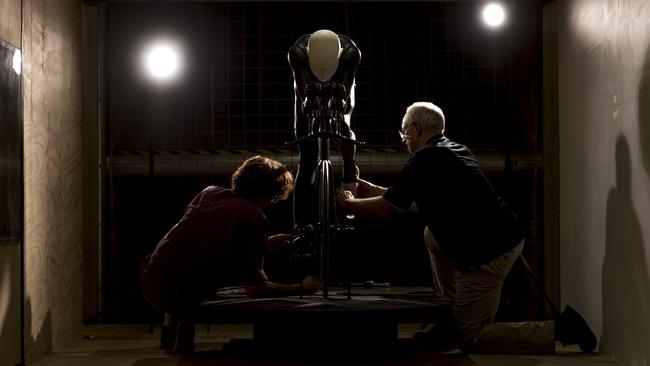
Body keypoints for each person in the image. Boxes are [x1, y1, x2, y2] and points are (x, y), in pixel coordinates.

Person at [337, 102, 597, 354]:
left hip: (489, 253)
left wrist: (349, 204)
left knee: (472, 338)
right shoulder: (454, 150)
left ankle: (561, 330)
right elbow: (420, 202)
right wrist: (374, 190)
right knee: (432, 235)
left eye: (404, 132)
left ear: (416, 128)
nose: (403, 139)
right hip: (502, 237)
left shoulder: (423, 159)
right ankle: (450, 314)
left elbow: (386, 209)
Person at [140, 155, 321, 354]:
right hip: (183, 293)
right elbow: (255, 288)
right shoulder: (254, 216)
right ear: (267, 194)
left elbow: (206, 239)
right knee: (226, 283)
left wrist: (265, 243)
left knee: (185, 259)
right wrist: (302, 288)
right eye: (274, 198)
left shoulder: (209, 193)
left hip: (152, 278)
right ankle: (188, 316)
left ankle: (169, 328)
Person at [288, 29, 361, 236]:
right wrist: (307, 101)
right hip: (307, 83)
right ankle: (301, 227)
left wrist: (341, 99)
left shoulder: (350, 53)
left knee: (344, 120)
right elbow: (302, 93)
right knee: (307, 158)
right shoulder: (297, 53)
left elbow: (346, 97)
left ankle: (349, 170)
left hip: (341, 80)